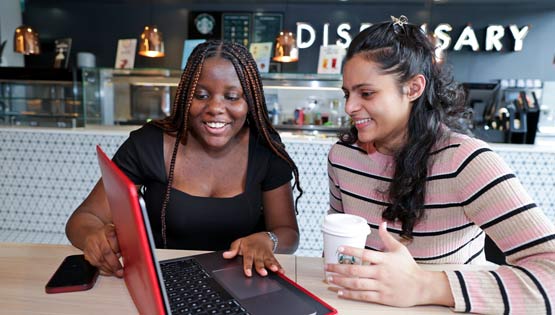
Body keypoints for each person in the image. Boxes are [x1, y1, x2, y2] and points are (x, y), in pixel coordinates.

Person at [325, 16, 555, 314]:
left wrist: (425, 286)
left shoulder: (467, 162)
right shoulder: (342, 156)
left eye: (366, 93)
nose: (349, 107)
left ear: (413, 88)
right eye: (347, 93)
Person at [66, 40, 302, 279]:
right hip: (163, 279)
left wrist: (267, 240)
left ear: (250, 102)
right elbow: (83, 219)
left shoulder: (265, 148)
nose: (215, 108)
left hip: (245, 281)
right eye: (201, 95)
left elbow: (288, 232)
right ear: (185, 95)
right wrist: (93, 237)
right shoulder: (149, 143)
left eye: (232, 97)